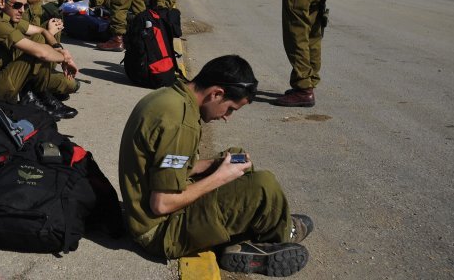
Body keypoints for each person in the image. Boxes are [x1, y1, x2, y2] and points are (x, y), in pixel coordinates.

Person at [118, 55, 314, 276]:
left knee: (237, 157)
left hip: (149, 212)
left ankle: (258, 228)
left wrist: (213, 165)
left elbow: (162, 165)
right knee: (263, 186)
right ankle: (276, 235)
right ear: (216, 94)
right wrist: (218, 177)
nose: (227, 117)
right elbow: (162, 204)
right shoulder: (181, 123)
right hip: (161, 232)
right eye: (230, 109)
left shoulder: (171, 98)